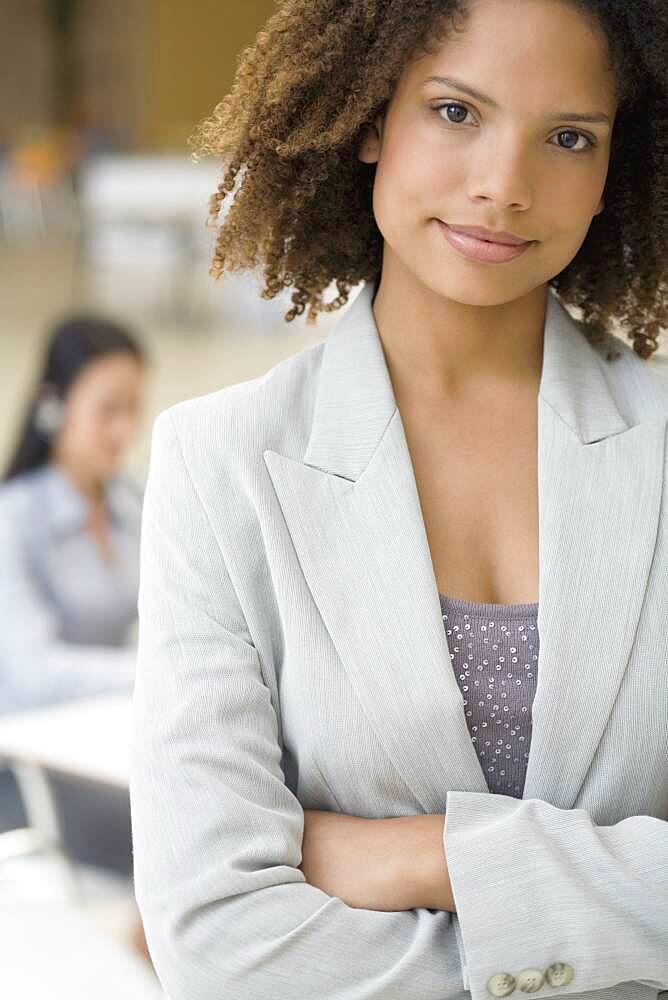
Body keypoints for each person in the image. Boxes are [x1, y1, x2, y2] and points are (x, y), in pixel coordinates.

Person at [130, 2, 668, 998]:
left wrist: (433, 856)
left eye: (565, 137)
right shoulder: (221, 465)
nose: (501, 187)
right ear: (371, 118)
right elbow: (216, 942)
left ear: (611, 169)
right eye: (456, 112)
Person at [0, 314, 147, 877]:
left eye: (133, 408)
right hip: (37, 773)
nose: (123, 430)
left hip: (106, 741)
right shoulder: (14, 519)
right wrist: (152, 671)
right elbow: (34, 675)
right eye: (107, 409)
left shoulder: (130, 502)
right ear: (54, 406)